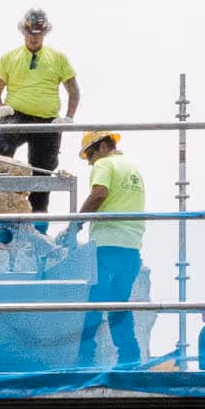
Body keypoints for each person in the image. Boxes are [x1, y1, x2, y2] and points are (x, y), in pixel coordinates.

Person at [73, 130, 146, 369]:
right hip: (132, 248)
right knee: (119, 304)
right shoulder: (132, 168)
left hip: (107, 245)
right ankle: (129, 358)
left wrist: (76, 221)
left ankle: (84, 360)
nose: (90, 162)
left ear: (103, 146)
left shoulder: (105, 164)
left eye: (90, 155)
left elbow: (99, 193)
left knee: (93, 303)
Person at [0, 9, 80, 200]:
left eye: (38, 35)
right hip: (16, 115)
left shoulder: (57, 58)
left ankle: (38, 220)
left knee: (43, 170)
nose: (34, 39)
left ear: (45, 34)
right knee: (0, 154)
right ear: (24, 33)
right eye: (30, 34)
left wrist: (68, 117)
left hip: (47, 121)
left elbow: (73, 91)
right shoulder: (9, 58)